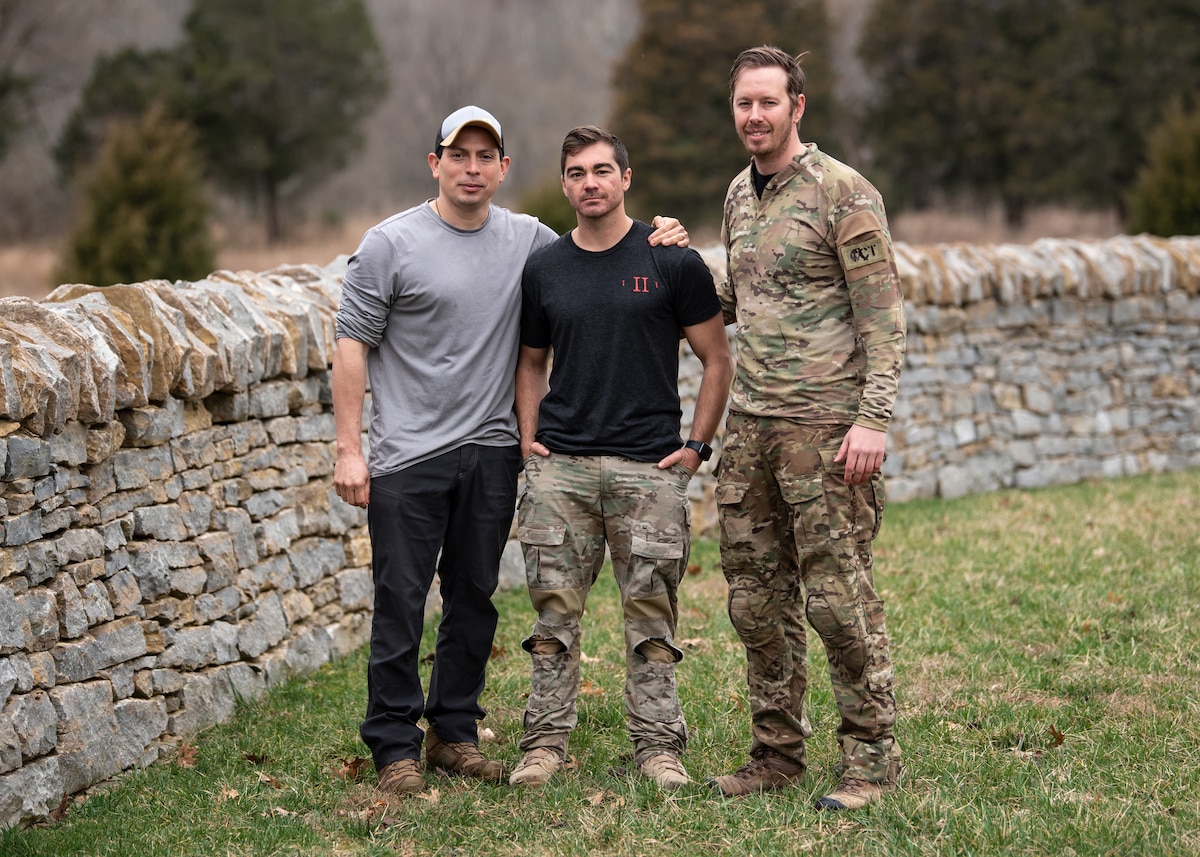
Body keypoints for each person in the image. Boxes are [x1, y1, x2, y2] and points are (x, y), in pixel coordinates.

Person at [332, 106, 689, 797]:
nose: (471, 168)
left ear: (503, 168)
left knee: (474, 598)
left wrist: (663, 234)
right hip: (406, 456)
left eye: (484, 156)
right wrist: (350, 449)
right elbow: (352, 345)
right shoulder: (390, 243)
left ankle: (453, 734)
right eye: (456, 155)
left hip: (494, 449)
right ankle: (393, 743)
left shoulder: (528, 240)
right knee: (401, 600)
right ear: (434, 163)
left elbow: (600, 248)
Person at [707, 47, 907, 811]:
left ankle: (870, 757)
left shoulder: (843, 193)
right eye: (742, 104)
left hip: (826, 431)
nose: (753, 116)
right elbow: (748, 294)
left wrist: (873, 418)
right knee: (756, 600)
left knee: (837, 597)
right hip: (751, 428)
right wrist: (672, 269)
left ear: (798, 106)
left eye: (766, 102)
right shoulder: (736, 195)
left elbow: (883, 317)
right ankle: (776, 752)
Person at [507, 125, 733, 790]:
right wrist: (530, 441)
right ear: (566, 182)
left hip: (649, 472)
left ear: (626, 179)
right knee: (552, 620)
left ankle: (658, 748)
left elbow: (717, 358)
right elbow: (530, 361)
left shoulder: (671, 260)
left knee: (652, 621)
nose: (590, 183)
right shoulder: (546, 267)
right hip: (562, 471)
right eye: (576, 172)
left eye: (603, 170)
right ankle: (544, 744)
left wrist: (695, 447)